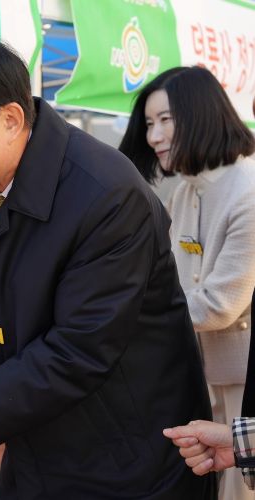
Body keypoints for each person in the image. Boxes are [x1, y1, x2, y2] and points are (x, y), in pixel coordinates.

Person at [0, 35, 214, 499]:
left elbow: (77, 351)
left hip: (126, 461)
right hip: (34, 446)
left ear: (10, 120)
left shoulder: (107, 195)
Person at [120, 66, 255, 500]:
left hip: (243, 382)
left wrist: (129, 312)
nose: (153, 136)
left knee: (240, 489)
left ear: (200, 114)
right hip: (198, 372)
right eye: (148, 124)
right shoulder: (185, 192)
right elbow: (169, 278)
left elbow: (221, 303)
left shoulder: (248, 191)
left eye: (165, 120)